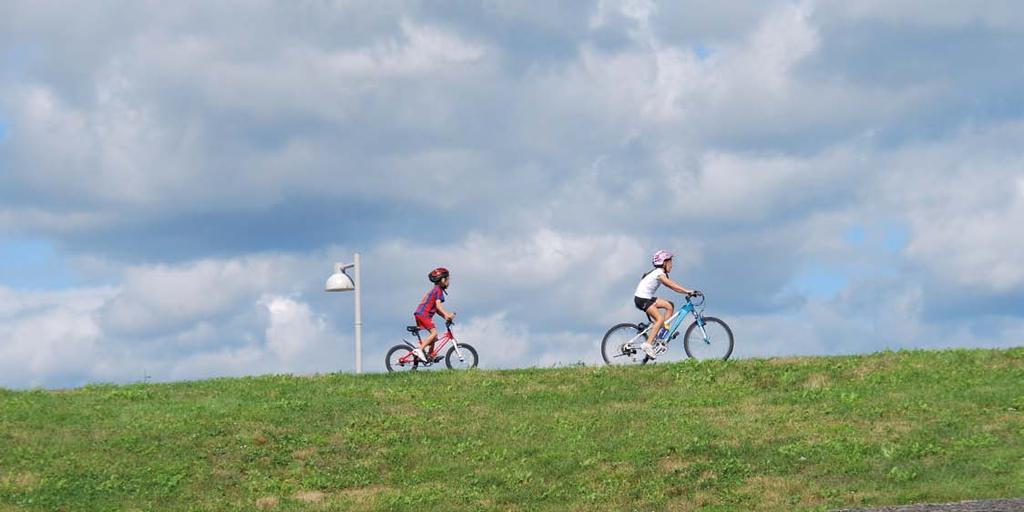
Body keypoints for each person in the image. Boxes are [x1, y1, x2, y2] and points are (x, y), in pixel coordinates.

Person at [634, 250, 700, 358]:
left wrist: (685, 290)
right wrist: (687, 291)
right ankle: (647, 344)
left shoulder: (660, 273)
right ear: (664, 263)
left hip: (647, 298)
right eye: (670, 262)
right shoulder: (659, 274)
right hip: (642, 299)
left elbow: (673, 285)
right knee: (659, 319)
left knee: (669, 305)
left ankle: (663, 333)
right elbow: (672, 286)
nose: (672, 265)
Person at [412, 267, 456, 362]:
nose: (449, 282)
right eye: (448, 279)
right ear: (443, 280)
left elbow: (436, 309)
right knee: (434, 333)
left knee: (434, 337)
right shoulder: (438, 290)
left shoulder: (436, 289)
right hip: (423, 314)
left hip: (421, 314)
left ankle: (430, 355)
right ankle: (419, 350)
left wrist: (445, 317)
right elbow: (439, 306)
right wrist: (448, 314)